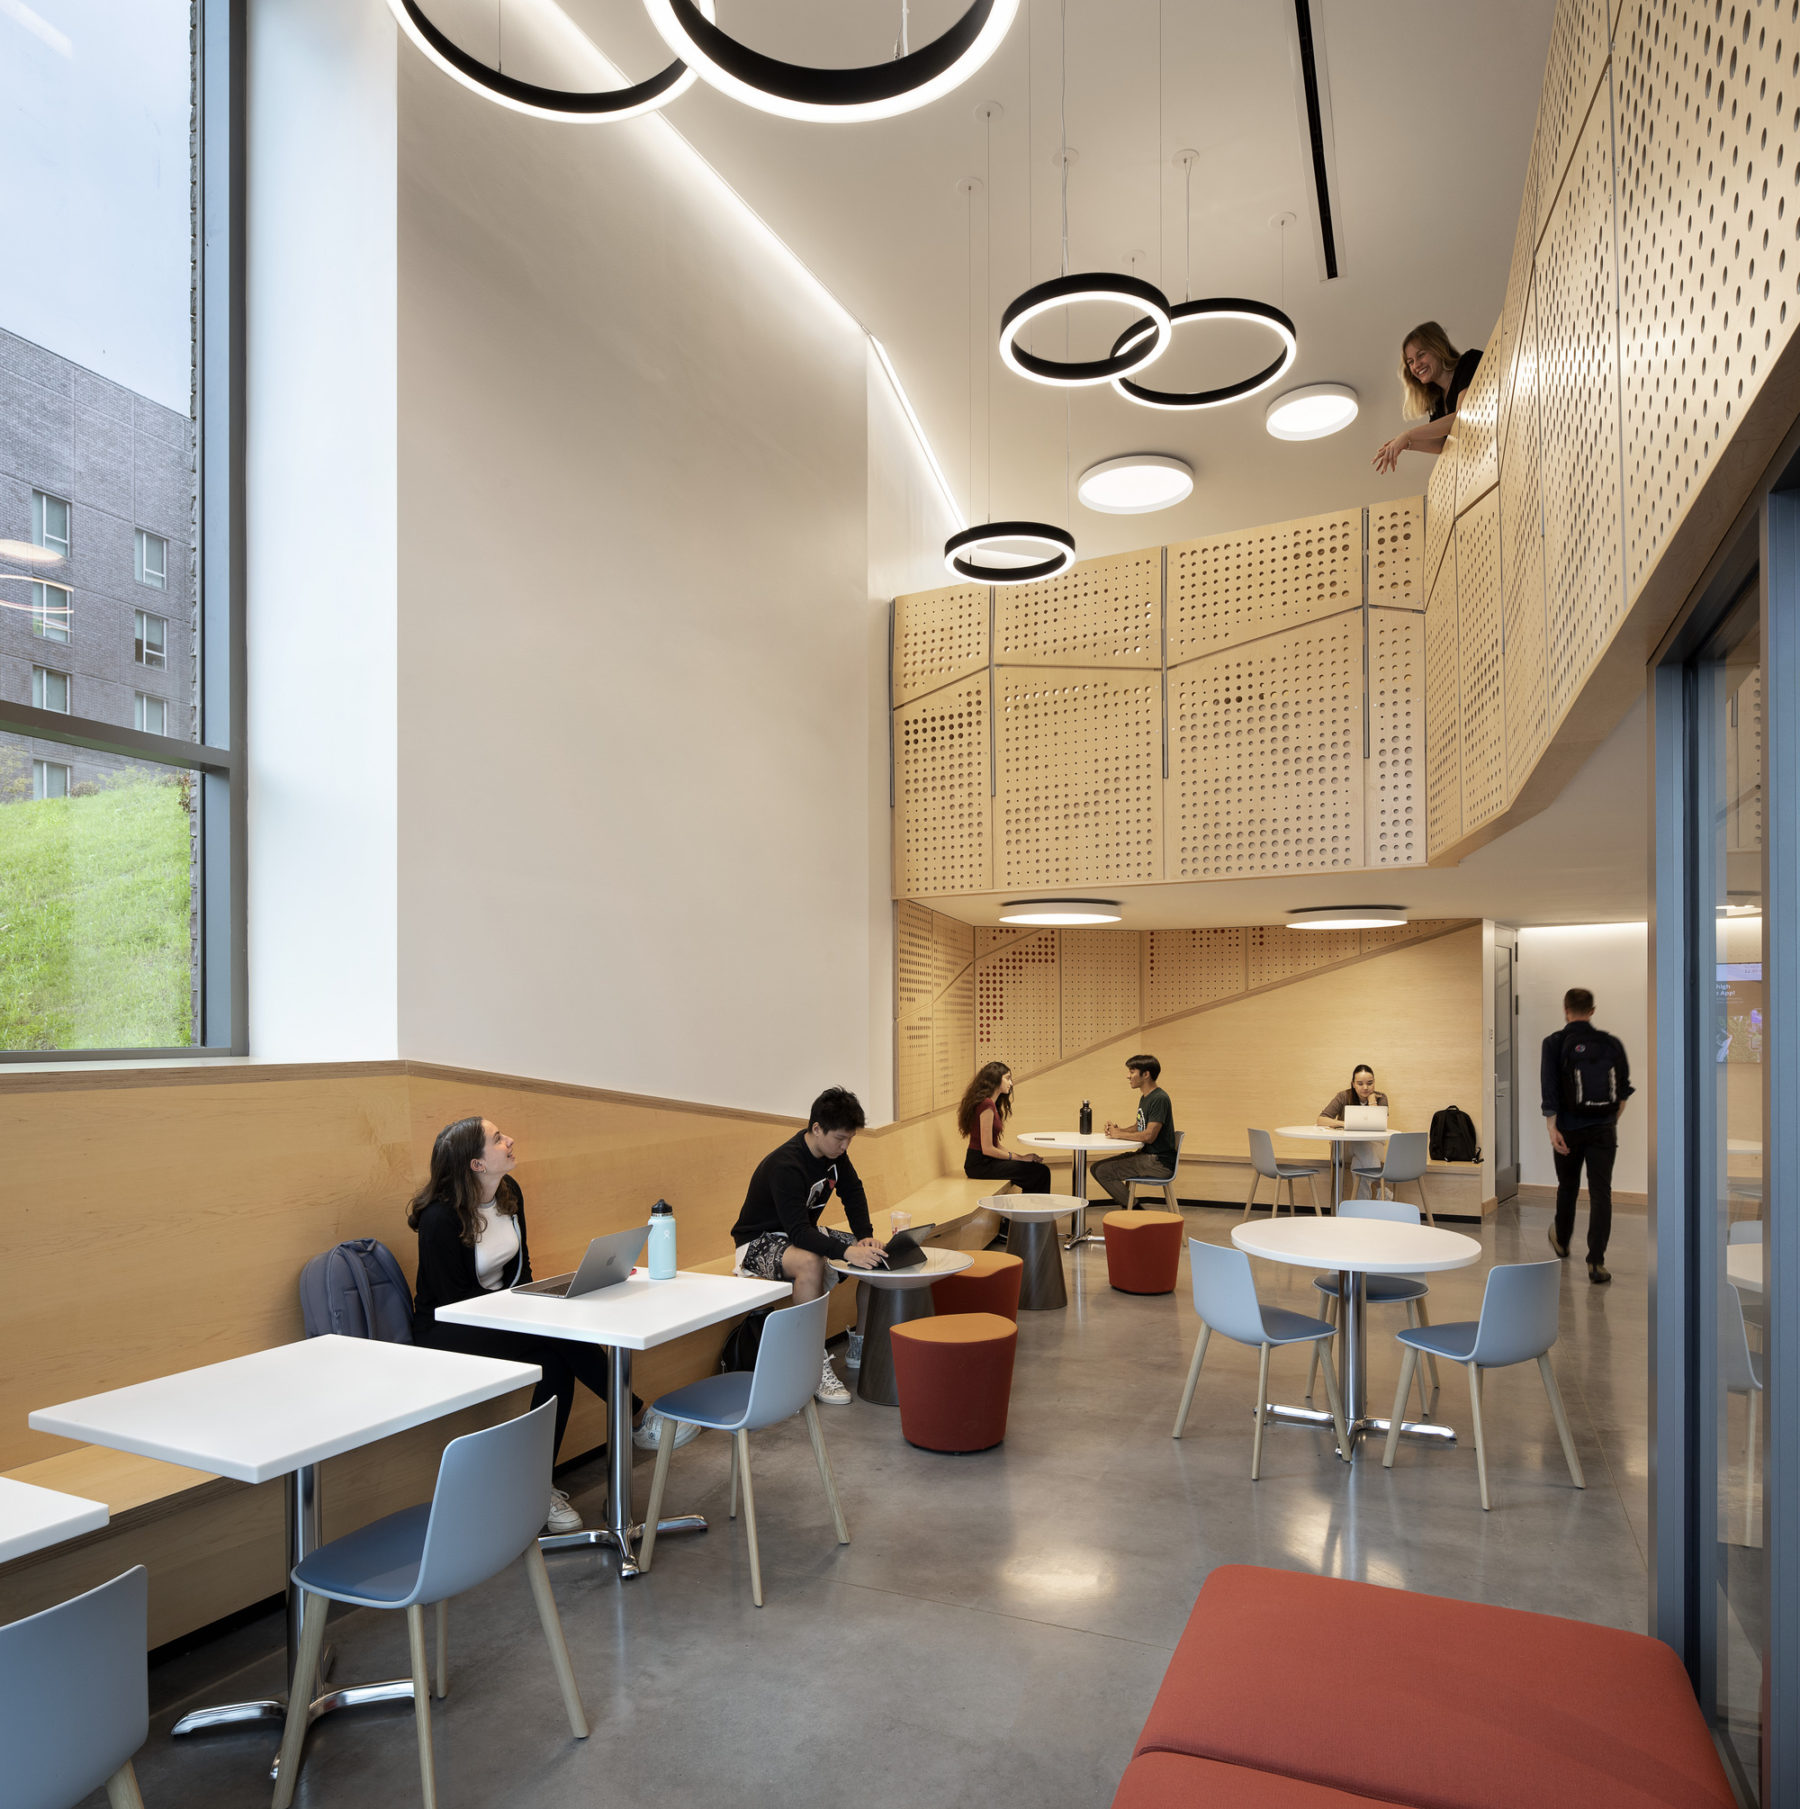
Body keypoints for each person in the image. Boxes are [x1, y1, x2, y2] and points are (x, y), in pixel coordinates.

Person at [408, 1116, 686, 1537]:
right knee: (559, 1335)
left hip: (503, 1314)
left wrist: (537, 1302)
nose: (509, 1140)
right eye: (497, 1139)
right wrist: (528, 1316)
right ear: (476, 1164)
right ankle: (636, 1416)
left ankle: (537, 1488)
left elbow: (523, 1269)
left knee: (555, 1365)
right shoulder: (440, 1220)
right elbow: (455, 1304)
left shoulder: (508, 1194)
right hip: (448, 1328)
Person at [728, 1087, 886, 1406]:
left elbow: (853, 1193)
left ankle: (860, 1344)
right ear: (816, 1129)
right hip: (757, 1241)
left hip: (796, 1235)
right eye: (840, 1138)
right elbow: (800, 1233)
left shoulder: (835, 1156)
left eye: (849, 1140)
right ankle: (810, 1367)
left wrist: (864, 1236)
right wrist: (845, 1251)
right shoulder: (786, 1165)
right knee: (811, 1261)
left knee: (874, 1255)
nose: (845, 1146)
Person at [1541, 988, 1633, 1283]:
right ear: (1592, 1010)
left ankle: (1563, 1241)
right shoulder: (1611, 1043)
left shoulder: (1554, 1043)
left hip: (1568, 1128)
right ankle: (1596, 1262)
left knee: (1567, 1187)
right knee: (1601, 1193)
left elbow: (1550, 1088)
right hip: (1603, 1130)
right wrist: (1608, 1122)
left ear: (1565, 1009)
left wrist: (1552, 1127)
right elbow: (1622, 1093)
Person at [1371, 321, 1482, 474]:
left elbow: (1462, 418)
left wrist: (1407, 435)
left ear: (1438, 347)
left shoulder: (1469, 362)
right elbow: (1442, 444)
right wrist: (1406, 444)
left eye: (1421, 355)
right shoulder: (1437, 401)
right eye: (1410, 362)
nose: (1416, 365)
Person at [1091, 1054, 1179, 1207]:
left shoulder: (1159, 1098)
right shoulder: (1146, 1097)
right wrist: (1119, 1130)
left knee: (1103, 1172)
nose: (1128, 1076)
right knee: (1095, 1167)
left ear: (1146, 1074)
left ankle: (1136, 1212)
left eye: (1132, 1072)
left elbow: (1149, 1136)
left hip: (1159, 1162)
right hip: (1148, 1156)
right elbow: (1140, 1126)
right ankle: (1132, 1209)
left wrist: (1119, 1134)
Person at [959, 1060, 1052, 1193]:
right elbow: (987, 1149)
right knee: (1040, 1172)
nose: (1011, 1083)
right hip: (980, 1165)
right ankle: (1033, 1212)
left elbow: (995, 1144)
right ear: (995, 1079)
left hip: (986, 1161)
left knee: (1037, 1170)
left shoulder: (992, 1104)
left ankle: (1030, 1212)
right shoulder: (986, 1105)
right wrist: (1020, 1158)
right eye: (1007, 1078)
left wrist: (1022, 1158)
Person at [1317, 1064, 1390, 1196]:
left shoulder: (1381, 1098)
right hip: (1345, 1147)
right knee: (1360, 1143)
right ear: (1353, 1084)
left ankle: (1362, 1210)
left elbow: (1379, 1124)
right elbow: (1321, 1120)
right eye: (1360, 1083)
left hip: (1374, 1146)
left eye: (1370, 1083)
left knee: (1358, 1164)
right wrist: (1346, 1124)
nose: (1365, 1087)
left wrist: (1372, 1101)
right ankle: (1381, 1186)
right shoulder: (1343, 1096)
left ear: (1374, 1083)